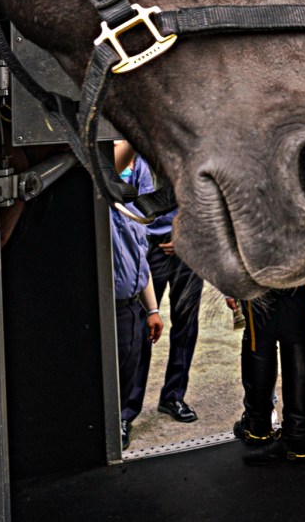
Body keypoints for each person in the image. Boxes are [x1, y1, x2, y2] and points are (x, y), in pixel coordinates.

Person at [116, 142, 205, 424]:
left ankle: (174, 396)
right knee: (140, 326)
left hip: (186, 247)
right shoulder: (136, 155)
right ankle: (127, 410)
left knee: (186, 324)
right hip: (148, 246)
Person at [231, 277, 305, 465]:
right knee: (296, 335)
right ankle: (299, 434)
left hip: (258, 264)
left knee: (258, 338)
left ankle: (257, 426)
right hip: (300, 263)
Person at [110, 195, 164, 450]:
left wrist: (152, 309)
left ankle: (122, 420)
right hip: (110, 309)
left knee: (128, 370)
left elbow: (141, 262)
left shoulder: (132, 210)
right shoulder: (100, 211)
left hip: (133, 307)